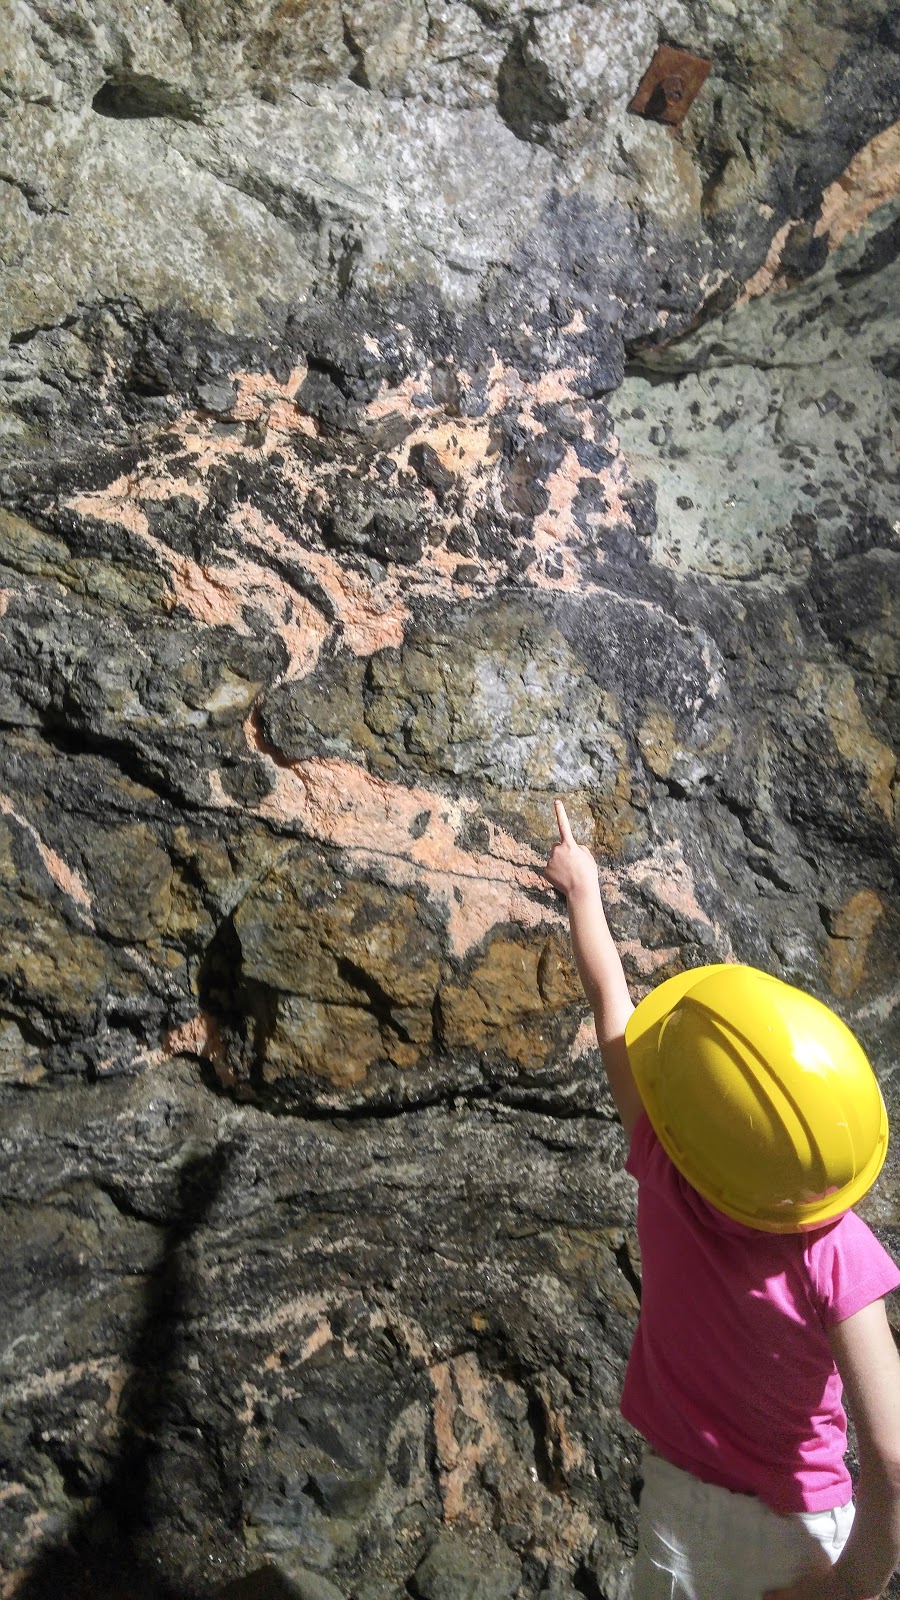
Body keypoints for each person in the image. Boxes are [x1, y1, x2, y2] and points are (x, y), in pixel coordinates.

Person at [544, 799, 900, 1600]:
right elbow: (894, 1453)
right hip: (799, 1534)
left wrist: (582, 891)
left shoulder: (663, 1165)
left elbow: (613, 1010)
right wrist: (853, 1588)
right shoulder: (837, 1254)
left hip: (676, 1515)